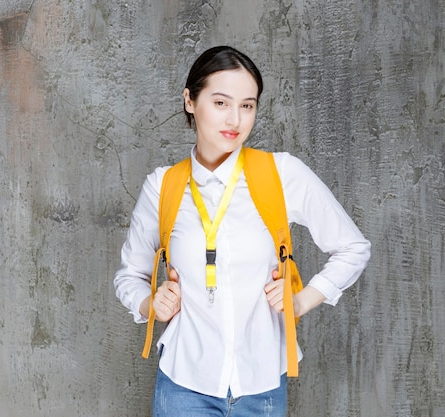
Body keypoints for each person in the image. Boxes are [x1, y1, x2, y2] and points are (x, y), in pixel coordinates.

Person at [114, 45, 370, 417]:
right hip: (183, 386)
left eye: (247, 105)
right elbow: (129, 276)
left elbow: (353, 247)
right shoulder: (163, 186)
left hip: (261, 387)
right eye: (220, 102)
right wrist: (148, 303)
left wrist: (301, 301)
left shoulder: (281, 173)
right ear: (190, 100)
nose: (235, 119)